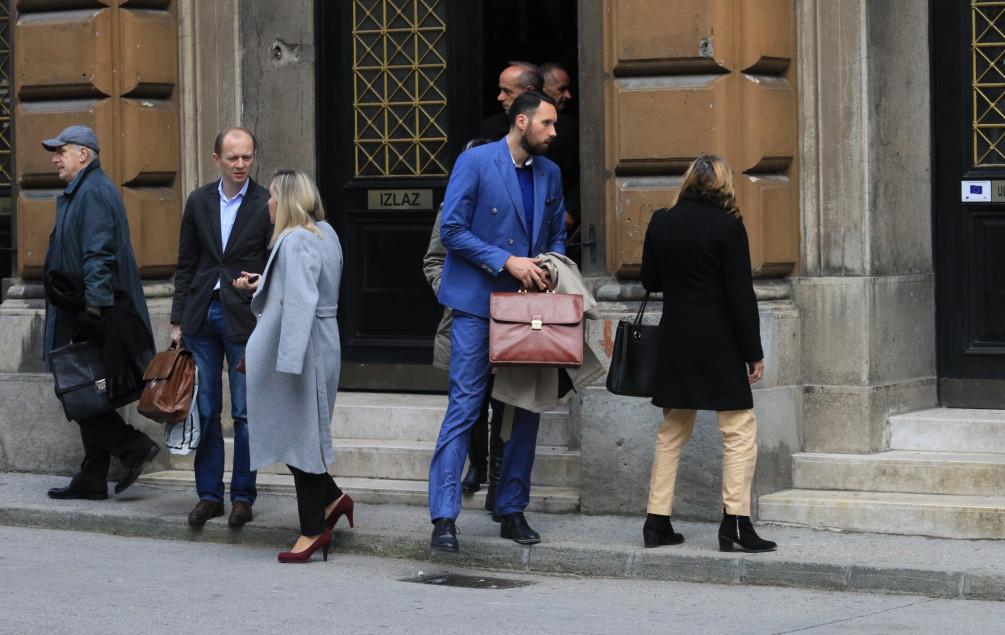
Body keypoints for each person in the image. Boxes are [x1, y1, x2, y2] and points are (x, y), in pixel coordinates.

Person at [429, 92, 566, 552]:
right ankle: (444, 518)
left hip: (529, 309)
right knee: (465, 408)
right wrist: (507, 261)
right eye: (547, 124)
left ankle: (511, 509)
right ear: (522, 121)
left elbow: (557, 235)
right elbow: (451, 230)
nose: (553, 132)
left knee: (524, 408)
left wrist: (550, 266)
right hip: (475, 304)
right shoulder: (477, 162)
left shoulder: (550, 173)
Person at [639, 154, 777, 553]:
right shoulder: (728, 226)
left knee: (671, 432)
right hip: (718, 341)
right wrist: (753, 351)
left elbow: (650, 279)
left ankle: (656, 521)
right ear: (723, 184)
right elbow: (739, 294)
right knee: (738, 431)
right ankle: (735, 523)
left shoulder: (661, 221)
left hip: (677, 337)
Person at [235, 169, 351, 563]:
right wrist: (263, 283)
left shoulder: (295, 240)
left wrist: (285, 362)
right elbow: (307, 288)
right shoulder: (323, 233)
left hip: (303, 351)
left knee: (300, 437)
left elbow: (301, 301)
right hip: (319, 342)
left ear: (285, 201)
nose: (267, 203)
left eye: (271, 197)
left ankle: (312, 531)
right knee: (301, 433)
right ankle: (333, 499)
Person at [41, 125, 160, 500]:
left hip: (91, 310)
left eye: (62, 151)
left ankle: (133, 446)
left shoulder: (92, 192)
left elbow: (98, 254)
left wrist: (94, 309)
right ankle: (92, 476)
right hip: (83, 306)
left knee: (77, 390)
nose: (55, 158)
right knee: (87, 391)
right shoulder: (82, 191)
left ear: (83, 154)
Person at [170, 127, 272, 528]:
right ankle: (209, 495)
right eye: (233, 158)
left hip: (245, 319)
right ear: (217, 160)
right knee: (207, 410)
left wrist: (259, 286)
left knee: (246, 413)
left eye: (247, 157)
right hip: (200, 316)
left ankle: (243, 497)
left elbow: (273, 262)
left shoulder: (266, 202)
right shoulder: (198, 201)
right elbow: (186, 262)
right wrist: (177, 319)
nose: (241, 165)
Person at [422, 138, 504, 509]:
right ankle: (478, 467)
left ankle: (500, 483)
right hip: (463, 316)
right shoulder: (450, 211)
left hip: (509, 319)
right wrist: (451, 291)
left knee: (504, 400)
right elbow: (434, 260)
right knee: (470, 401)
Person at [540, 62, 581, 241]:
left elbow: (583, 173)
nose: (568, 95)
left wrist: (570, 209)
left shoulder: (570, 128)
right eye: (561, 89)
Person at [478, 61, 544, 140]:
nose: (500, 97)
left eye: (507, 91)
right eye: (501, 90)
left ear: (530, 92)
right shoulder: (490, 128)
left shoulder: (558, 129)